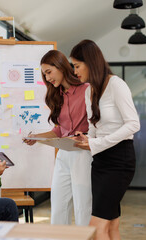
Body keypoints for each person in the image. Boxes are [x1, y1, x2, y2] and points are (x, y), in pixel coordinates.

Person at [70, 40, 140, 240]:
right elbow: (94, 126)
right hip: (100, 161)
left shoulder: (116, 84)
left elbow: (133, 124)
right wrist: (87, 139)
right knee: (110, 225)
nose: (75, 72)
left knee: (96, 227)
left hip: (120, 161)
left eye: (77, 66)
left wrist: (96, 143)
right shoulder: (88, 90)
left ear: (90, 62)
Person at [23, 50, 92, 225]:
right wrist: (36, 137)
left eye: (49, 72)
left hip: (82, 152)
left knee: (83, 205)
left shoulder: (87, 90)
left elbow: (97, 124)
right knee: (59, 205)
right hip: (63, 153)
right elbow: (60, 130)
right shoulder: (57, 95)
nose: (47, 78)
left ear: (61, 67)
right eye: (44, 74)